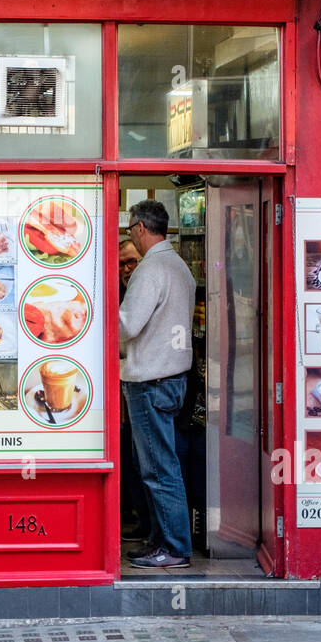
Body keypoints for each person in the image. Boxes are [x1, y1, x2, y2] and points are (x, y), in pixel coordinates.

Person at [119, 199, 196, 568]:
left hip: (151, 379)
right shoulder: (178, 265)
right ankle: (161, 539)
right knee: (160, 463)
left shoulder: (151, 270)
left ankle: (174, 547)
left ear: (139, 228)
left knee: (157, 467)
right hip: (172, 377)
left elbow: (127, 325)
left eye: (130, 229)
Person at [117, 237, 151, 542]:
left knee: (146, 458)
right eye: (121, 265)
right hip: (123, 383)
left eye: (131, 262)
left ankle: (148, 523)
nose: (126, 269)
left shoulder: (146, 288)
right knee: (129, 451)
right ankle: (135, 516)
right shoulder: (117, 293)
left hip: (144, 382)